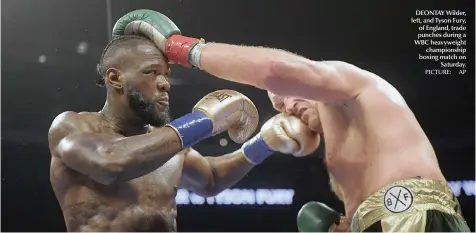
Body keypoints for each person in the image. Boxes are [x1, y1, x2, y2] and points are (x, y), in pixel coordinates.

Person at [115, 9, 471, 232]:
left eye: (287, 95)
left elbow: (276, 70)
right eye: (278, 105)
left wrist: (182, 48)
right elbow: (209, 180)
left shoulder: (347, 81)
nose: (286, 106)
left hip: (410, 215)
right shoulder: (349, 139)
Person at [48, 35, 321, 231]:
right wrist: (203, 121)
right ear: (115, 78)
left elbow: (210, 179)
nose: (164, 83)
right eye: (151, 72)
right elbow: (111, 162)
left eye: (166, 73)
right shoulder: (73, 126)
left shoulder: (164, 143)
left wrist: (264, 143)